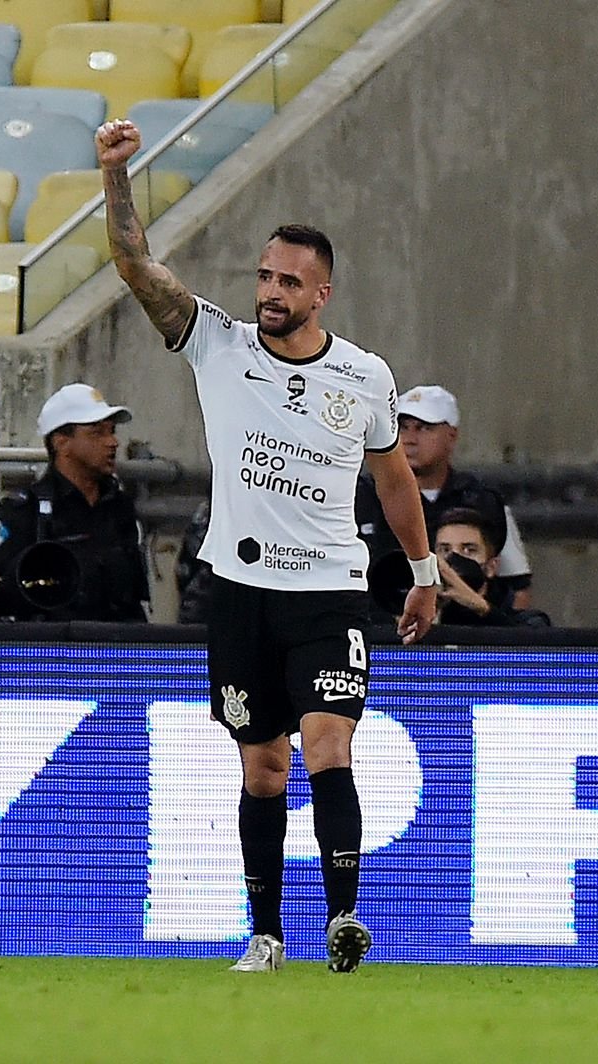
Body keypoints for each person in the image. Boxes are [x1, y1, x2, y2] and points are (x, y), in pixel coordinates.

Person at [97, 119, 438, 974]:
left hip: (328, 592)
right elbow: (137, 268)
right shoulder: (218, 343)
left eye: (289, 281)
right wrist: (116, 175)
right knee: (264, 772)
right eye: (263, 275)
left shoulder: (364, 376)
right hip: (238, 593)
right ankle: (265, 933)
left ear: (321, 294)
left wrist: (424, 573)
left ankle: (345, 918)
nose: (270, 291)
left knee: (328, 745)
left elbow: (394, 478)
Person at [0, 382, 149, 622]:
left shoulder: (118, 506)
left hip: (118, 650)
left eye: (112, 431)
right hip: (52, 652)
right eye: (97, 433)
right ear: (61, 443)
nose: (112, 442)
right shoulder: (21, 512)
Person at [354, 385, 535, 609]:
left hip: (465, 632)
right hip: (381, 631)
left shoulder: (483, 500)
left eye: (423, 428)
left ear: (452, 435)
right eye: (402, 427)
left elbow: (518, 586)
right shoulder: (361, 495)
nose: (409, 439)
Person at [431, 507, 549, 627]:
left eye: (469, 550)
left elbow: (528, 640)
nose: (454, 558)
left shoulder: (529, 621)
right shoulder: (419, 612)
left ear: (491, 567)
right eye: (445, 550)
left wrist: (482, 608)